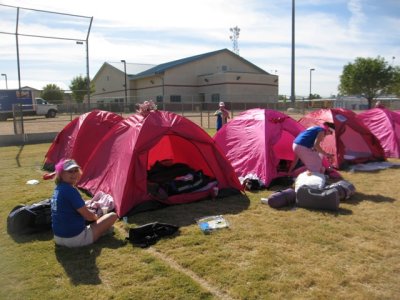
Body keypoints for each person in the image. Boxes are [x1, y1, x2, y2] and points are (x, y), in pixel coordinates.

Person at [50, 159, 118, 248]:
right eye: (70, 171)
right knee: (112, 216)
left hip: (58, 237)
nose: (74, 174)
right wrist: (97, 217)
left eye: (75, 171)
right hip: (75, 239)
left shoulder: (58, 189)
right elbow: (88, 217)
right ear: (61, 174)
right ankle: (104, 231)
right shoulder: (70, 191)